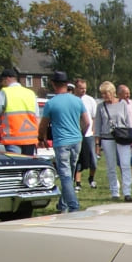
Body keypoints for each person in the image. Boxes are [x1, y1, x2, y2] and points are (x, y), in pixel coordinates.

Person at [38, 72, 88, 212]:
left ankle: (73, 206)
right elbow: (87, 122)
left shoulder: (51, 103)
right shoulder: (77, 101)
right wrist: (81, 134)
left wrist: (41, 138)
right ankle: (63, 205)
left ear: (53, 84)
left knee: (65, 175)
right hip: (76, 140)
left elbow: (43, 125)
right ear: (67, 84)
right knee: (70, 173)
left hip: (61, 142)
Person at [95, 81, 132, 200]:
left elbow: (128, 121)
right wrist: (97, 143)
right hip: (107, 137)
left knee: (125, 164)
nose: (104, 96)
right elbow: (97, 125)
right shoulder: (101, 107)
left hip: (122, 136)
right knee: (111, 165)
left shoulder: (122, 104)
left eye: (106, 93)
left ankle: (127, 192)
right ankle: (114, 191)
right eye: (102, 94)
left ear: (112, 92)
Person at [0, 66, 40, 154]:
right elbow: (37, 118)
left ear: (7, 79)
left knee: (16, 164)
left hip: (12, 138)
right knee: (28, 165)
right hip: (29, 138)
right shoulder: (30, 93)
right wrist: (38, 136)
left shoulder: (4, 92)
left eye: (2, 81)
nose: (1, 83)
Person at [73, 76, 98, 188]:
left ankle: (91, 179)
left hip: (88, 134)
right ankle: (78, 182)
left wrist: (93, 130)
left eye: (85, 88)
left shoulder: (90, 100)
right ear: (76, 88)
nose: (83, 90)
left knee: (93, 160)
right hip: (76, 134)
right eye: (81, 88)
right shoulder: (72, 100)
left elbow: (94, 117)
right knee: (78, 159)